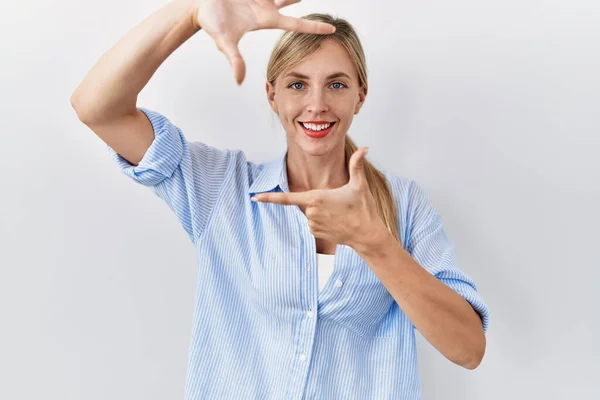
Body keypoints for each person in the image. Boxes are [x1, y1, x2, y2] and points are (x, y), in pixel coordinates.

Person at [71, 0, 490, 398]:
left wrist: (374, 244)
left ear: (360, 96)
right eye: (297, 84)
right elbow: (96, 108)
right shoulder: (222, 189)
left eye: (337, 84)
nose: (317, 104)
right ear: (272, 95)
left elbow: (468, 349)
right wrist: (193, 13)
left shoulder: (404, 205)